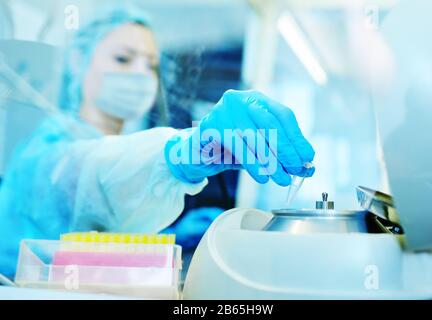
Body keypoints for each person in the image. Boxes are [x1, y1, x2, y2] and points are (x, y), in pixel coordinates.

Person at [0, 7, 315, 278]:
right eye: (123, 58)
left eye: (150, 65)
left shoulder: (117, 145)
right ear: (77, 59)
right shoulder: (48, 151)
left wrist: (165, 238)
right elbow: (93, 174)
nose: (139, 74)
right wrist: (181, 153)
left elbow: (99, 235)